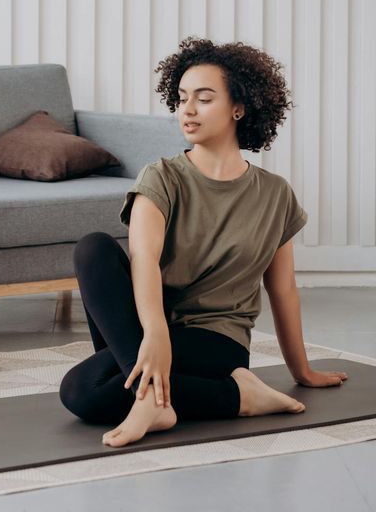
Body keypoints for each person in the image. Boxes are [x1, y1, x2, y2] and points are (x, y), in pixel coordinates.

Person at [59, 37, 349, 447]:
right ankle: (228, 396)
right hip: (147, 331)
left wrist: (302, 371)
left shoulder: (275, 193)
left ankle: (177, 396)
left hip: (217, 341)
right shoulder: (161, 177)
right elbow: (143, 258)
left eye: (204, 98)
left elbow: (282, 289)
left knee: (83, 391)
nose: (187, 110)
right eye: (181, 98)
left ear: (238, 107)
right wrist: (156, 333)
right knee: (92, 248)